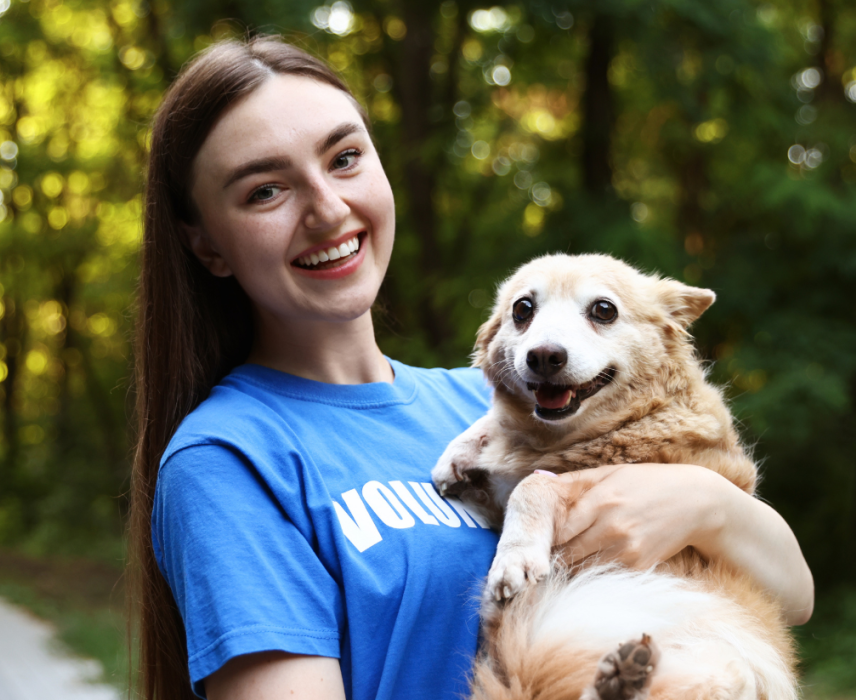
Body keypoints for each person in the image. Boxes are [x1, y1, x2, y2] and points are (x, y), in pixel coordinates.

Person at [127, 36, 814, 700]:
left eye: (343, 158)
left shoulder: (501, 409)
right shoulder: (229, 460)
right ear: (207, 245)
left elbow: (793, 594)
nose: (328, 208)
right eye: (264, 192)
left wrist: (703, 503)